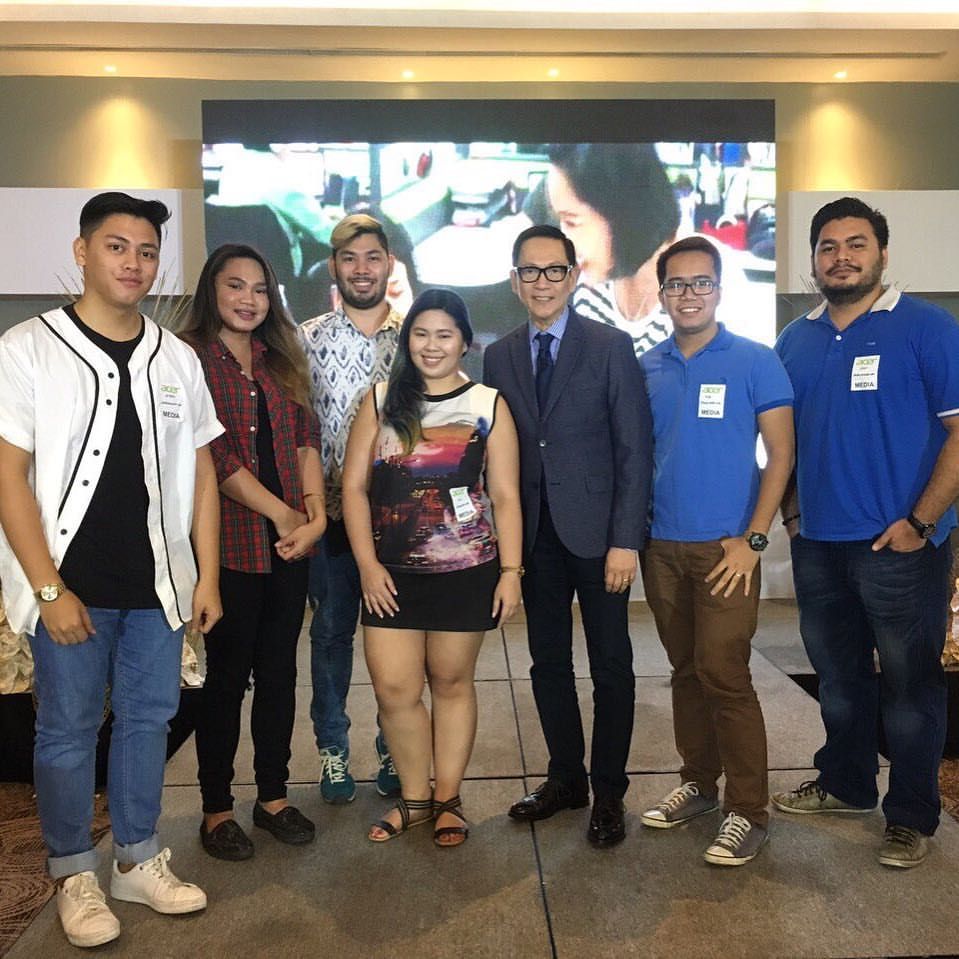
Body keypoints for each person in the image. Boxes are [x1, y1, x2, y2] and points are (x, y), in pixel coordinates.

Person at [0, 192, 222, 948]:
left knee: (146, 721)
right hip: (72, 588)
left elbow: (199, 471)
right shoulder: (28, 347)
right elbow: (9, 475)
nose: (134, 262)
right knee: (64, 731)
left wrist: (207, 578)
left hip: (158, 587)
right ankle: (73, 871)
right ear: (82, 251)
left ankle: (134, 855)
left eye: (148, 251)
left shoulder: (176, 356)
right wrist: (48, 587)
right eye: (118, 246)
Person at [773, 197, 959, 869]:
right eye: (827, 246)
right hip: (818, 544)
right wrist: (792, 514)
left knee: (909, 689)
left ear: (880, 253)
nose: (841, 256)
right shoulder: (795, 340)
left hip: (900, 549)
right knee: (838, 678)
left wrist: (919, 522)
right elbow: (782, 442)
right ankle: (845, 783)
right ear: (813, 259)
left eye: (855, 244)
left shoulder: (928, 328)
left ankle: (909, 814)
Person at [484, 224, 652, 847]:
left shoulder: (610, 346)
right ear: (514, 280)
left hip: (601, 536)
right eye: (530, 271)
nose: (542, 282)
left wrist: (626, 539)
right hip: (534, 539)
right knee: (547, 664)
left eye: (554, 270)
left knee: (612, 665)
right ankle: (565, 780)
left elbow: (634, 448)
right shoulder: (499, 355)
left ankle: (608, 791)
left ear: (575, 275)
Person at [341, 288, 522, 847]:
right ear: (407, 339)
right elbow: (352, 488)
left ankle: (448, 799)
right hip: (390, 576)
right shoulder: (378, 401)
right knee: (394, 690)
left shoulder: (488, 404)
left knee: (450, 683)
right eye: (421, 333)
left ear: (465, 343)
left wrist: (511, 572)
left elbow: (506, 495)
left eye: (445, 334)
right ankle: (414, 799)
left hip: (465, 570)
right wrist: (368, 566)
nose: (431, 345)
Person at [638, 236, 794, 866]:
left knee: (724, 673)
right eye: (677, 284)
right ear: (663, 293)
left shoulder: (756, 361)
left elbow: (781, 453)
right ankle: (699, 786)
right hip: (662, 548)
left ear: (720, 289)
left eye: (701, 282)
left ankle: (749, 811)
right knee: (684, 671)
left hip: (728, 551)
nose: (689, 294)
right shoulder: (646, 366)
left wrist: (755, 540)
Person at [179, 244, 326, 861]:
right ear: (213, 290)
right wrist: (283, 512)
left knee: (279, 676)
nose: (248, 299)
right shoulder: (189, 360)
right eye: (235, 286)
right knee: (224, 683)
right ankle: (216, 810)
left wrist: (315, 517)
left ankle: (272, 798)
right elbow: (215, 458)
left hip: (291, 548)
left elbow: (306, 440)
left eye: (260, 289)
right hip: (232, 548)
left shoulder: (281, 361)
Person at [297, 213, 403, 803]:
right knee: (332, 636)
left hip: (402, 522)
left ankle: (395, 747)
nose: (361, 269)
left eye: (372, 257)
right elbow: (299, 433)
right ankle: (333, 751)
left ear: (389, 264)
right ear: (334, 267)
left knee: (397, 641)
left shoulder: (418, 337)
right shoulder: (305, 338)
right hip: (334, 518)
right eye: (349, 259)